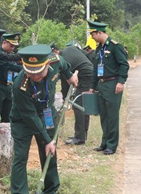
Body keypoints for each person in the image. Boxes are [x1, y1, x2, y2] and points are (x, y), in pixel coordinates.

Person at [9, 45, 76, 194]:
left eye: (39, 72)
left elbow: (65, 65)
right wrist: (47, 139)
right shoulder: (20, 85)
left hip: (47, 114)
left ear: (47, 65)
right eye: (31, 73)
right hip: (23, 119)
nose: (35, 77)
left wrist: (69, 77)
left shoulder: (55, 61)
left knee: (49, 154)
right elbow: (30, 117)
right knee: (20, 157)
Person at [88, 20, 129, 155]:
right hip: (101, 83)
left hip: (113, 84)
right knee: (104, 115)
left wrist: (121, 82)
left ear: (99, 33)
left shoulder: (115, 46)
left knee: (112, 116)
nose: (92, 37)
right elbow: (95, 69)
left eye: (93, 34)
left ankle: (112, 145)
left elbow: (124, 64)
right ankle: (104, 143)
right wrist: (92, 87)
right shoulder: (99, 48)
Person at [54, 41, 93, 145]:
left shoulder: (62, 60)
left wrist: (64, 97)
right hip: (89, 72)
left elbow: (65, 82)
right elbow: (87, 54)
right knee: (83, 104)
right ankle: (83, 134)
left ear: (55, 52)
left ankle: (79, 137)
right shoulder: (70, 48)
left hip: (85, 76)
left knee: (78, 105)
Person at [0, 32, 22, 147]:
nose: (13, 48)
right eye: (11, 46)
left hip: (8, 86)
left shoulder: (11, 54)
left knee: (7, 114)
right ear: (4, 43)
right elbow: (9, 66)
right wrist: (24, 69)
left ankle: (6, 138)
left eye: (14, 46)